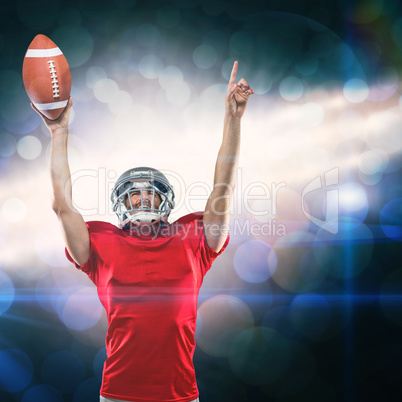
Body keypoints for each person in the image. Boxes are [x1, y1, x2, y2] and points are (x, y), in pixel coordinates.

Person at [32, 61, 254, 402]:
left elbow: (222, 190)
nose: (143, 197)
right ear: (122, 202)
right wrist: (58, 132)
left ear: (165, 200)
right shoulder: (101, 243)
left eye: (150, 191)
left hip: (179, 394)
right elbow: (62, 205)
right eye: (135, 192)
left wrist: (233, 119)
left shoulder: (193, 239)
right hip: (119, 393)